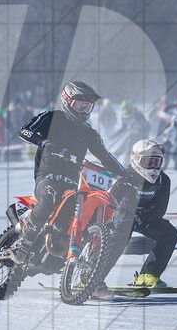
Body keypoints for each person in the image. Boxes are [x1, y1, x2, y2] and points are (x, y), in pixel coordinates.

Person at [12, 81, 128, 264]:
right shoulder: (51, 118)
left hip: (72, 183)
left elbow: (105, 156)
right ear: (67, 101)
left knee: (86, 213)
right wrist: (43, 141)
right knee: (49, 197)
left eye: (87, 107)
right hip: (47, 177)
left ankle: (87, 267)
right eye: (80, 106)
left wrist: (125, 174)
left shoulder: (89, 132)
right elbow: (24, 131)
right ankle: (23, 246)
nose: (83, 111)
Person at [119, 139, 177, 288]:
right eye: (148, 161)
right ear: (135, 159)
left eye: (156, 162)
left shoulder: (163, 180)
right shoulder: (125, 175)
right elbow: (115, 200)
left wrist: (142, 216)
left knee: (170, 233)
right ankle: (89, 276)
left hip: (144, 218)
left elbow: (160, 210)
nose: (152, 166)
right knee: (116, 240)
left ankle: (148, 275)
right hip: (121, 216)